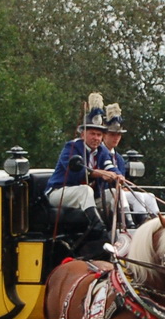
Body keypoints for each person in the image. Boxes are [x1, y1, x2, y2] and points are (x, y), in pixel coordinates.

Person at [45, 92, 114, 256]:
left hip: (83, 196)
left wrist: (117, 176)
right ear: (83, 134)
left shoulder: (101, 151)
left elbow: (110, 167)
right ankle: (97, 226)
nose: (96, 138)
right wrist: (98, 174)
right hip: (58, 192)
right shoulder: (72, 147)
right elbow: (75, 175)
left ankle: (128, 227)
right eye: (92, 134)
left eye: (99, 135)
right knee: (85, 190)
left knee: (113, 194)